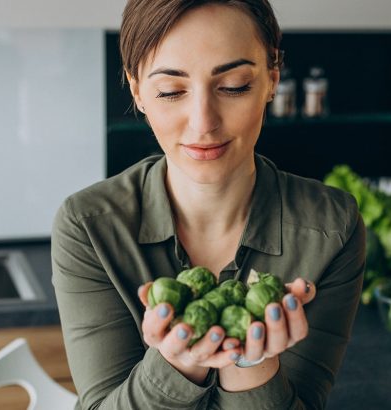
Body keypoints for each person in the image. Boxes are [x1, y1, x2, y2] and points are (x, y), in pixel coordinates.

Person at [51, 0, 365, 408]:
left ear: (272, 79)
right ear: (138, 91)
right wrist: (177, 364)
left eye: (234, 85)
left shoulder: (332, 227)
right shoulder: (88, 226)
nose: (203, 123)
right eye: (171, 91)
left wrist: (250, 360)